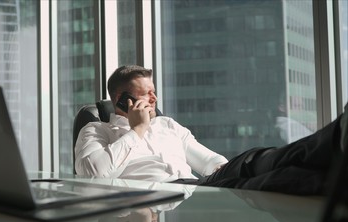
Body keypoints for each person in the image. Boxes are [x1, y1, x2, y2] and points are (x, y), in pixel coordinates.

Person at [75, 65, 348, 195]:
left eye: (154, 91)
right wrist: (137, 131)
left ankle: (339, 135)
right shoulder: (97, 131)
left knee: (256, 163)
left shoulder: (168, 125)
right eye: (146, 94)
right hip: (164, 201)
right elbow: (93, 173)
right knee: (262, 186)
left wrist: (221, 168)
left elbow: (207, 160)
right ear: (122, 100)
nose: (155, 100)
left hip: (200, 188)